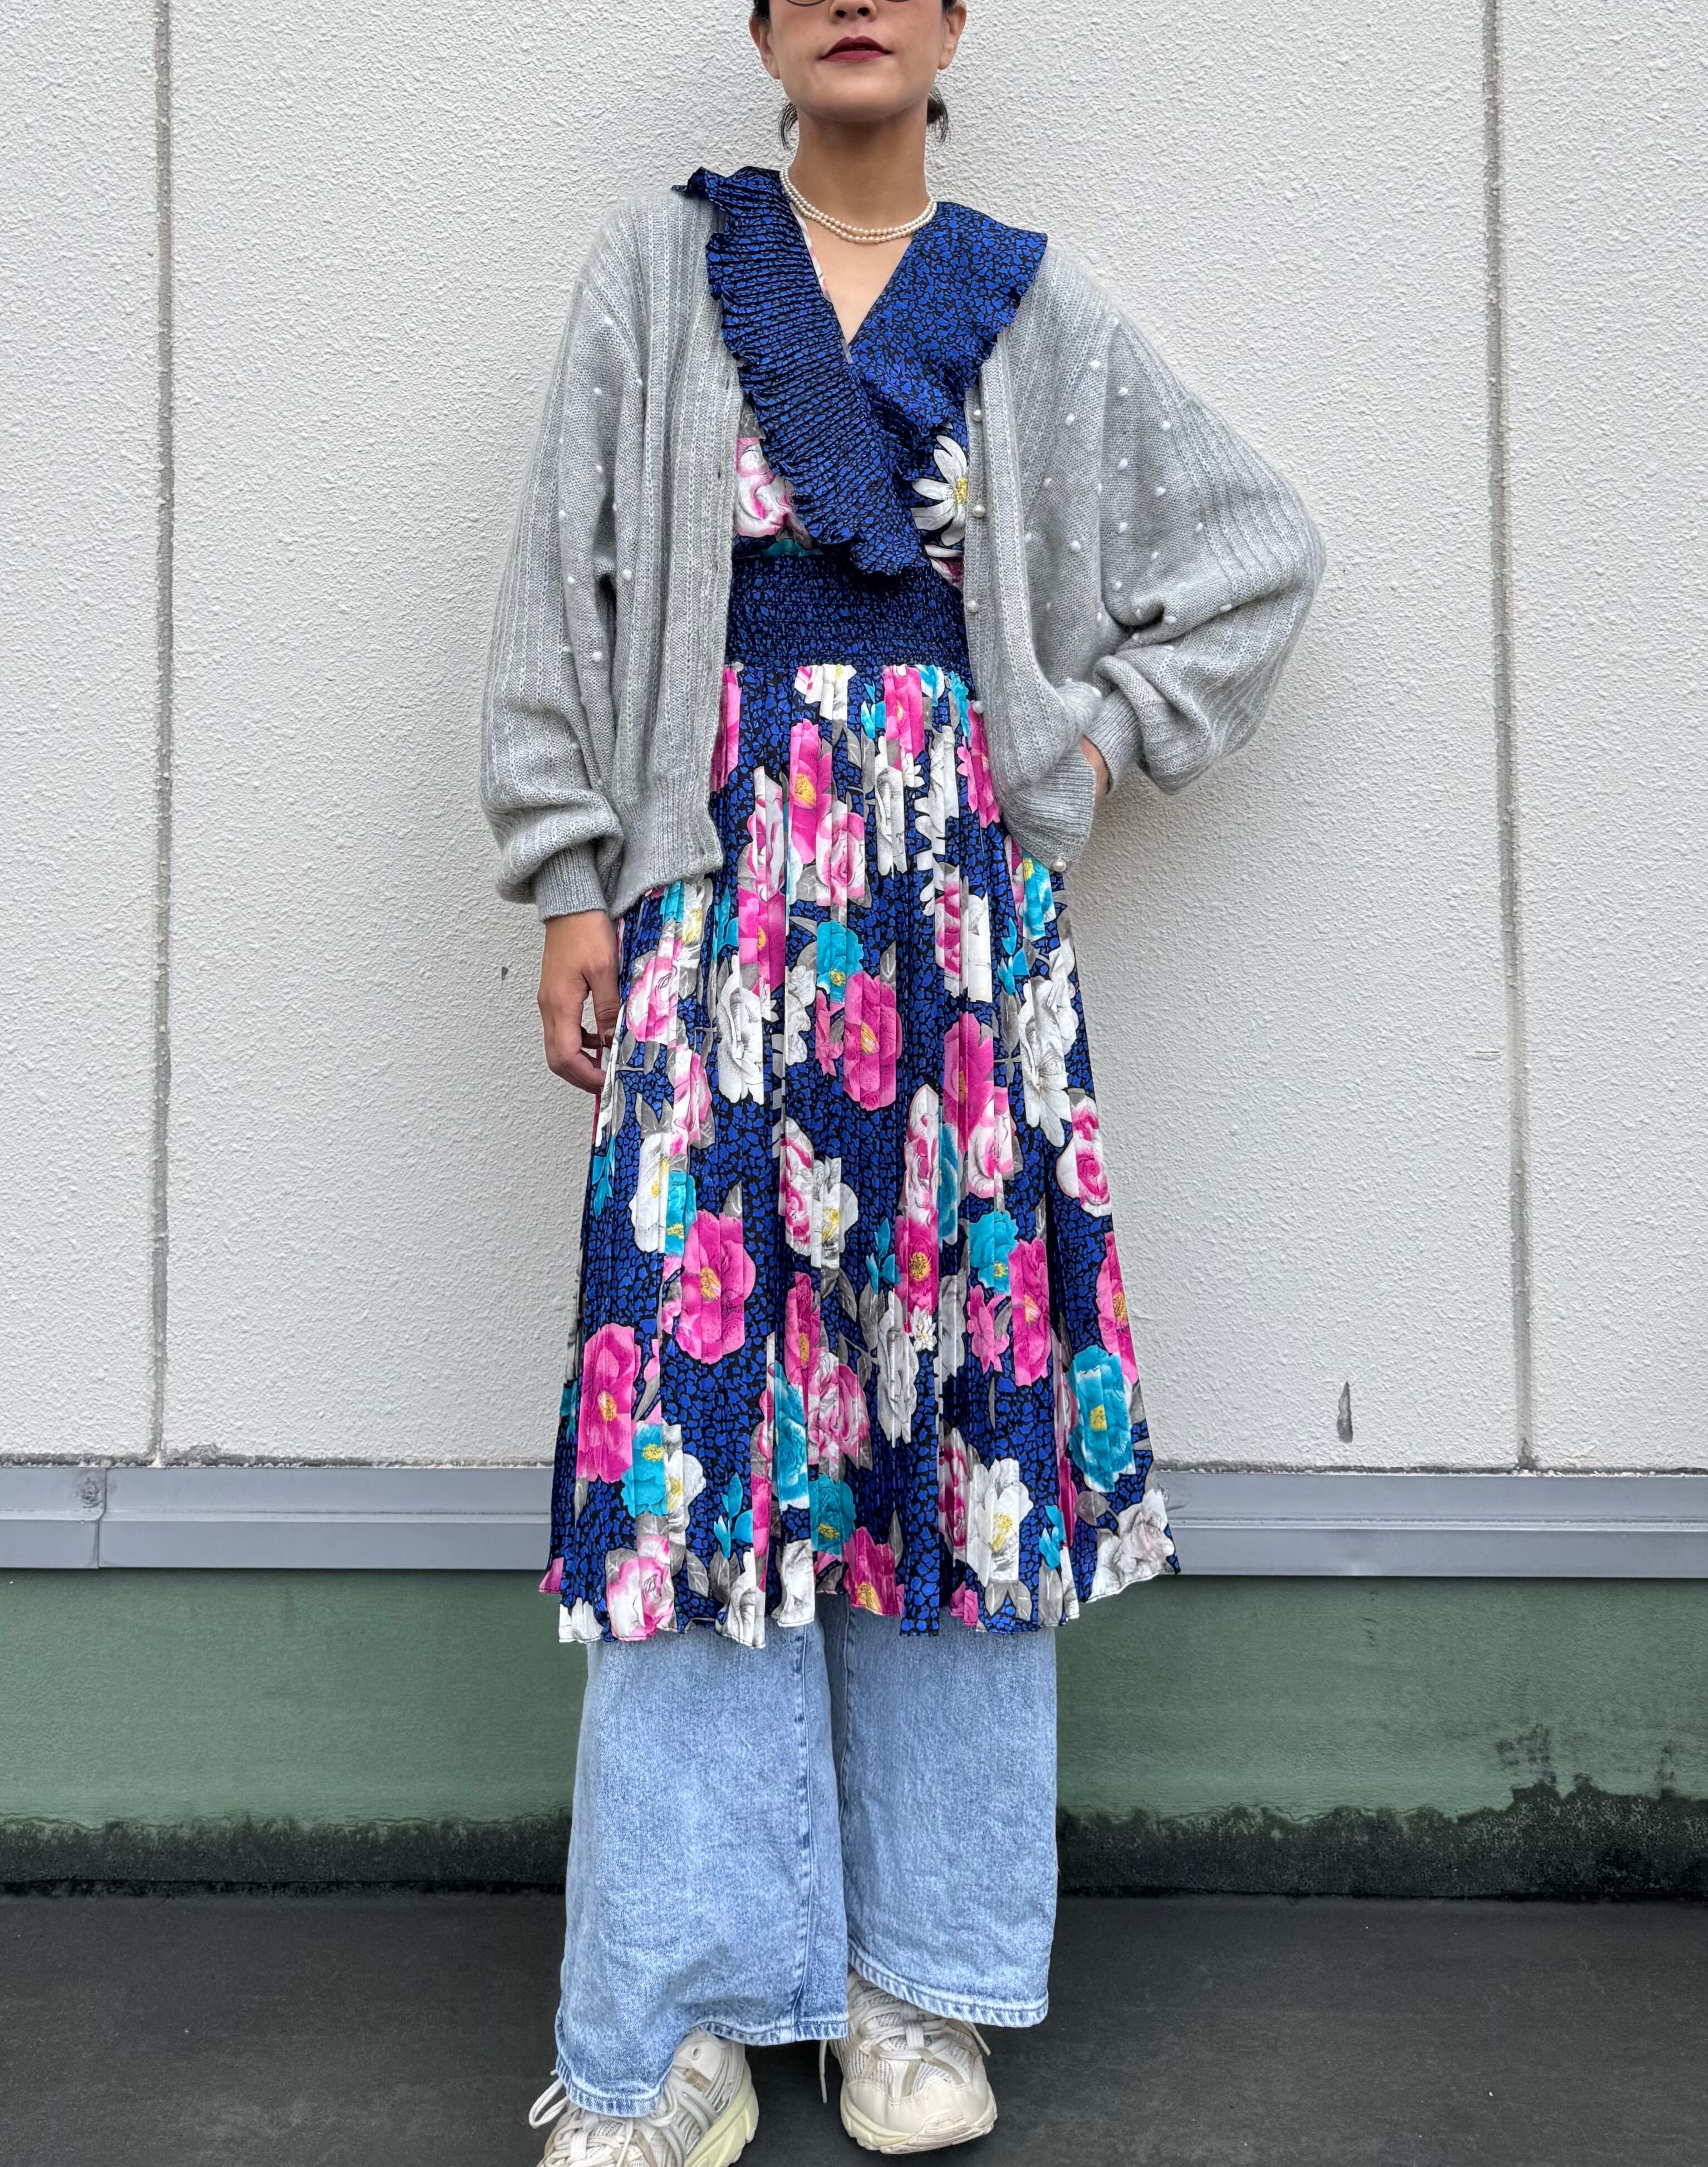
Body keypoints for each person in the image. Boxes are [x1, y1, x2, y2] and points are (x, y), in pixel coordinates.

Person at [480, 2, 1323, 2158]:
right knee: (694, 1442)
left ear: (950, 21)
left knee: (956, 1439)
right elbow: (560, 589)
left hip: (956, 941)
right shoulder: (659, 278)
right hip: (709, 912)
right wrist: (568, 877)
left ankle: (918, 1989)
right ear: (763, 24)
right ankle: (672, 2023)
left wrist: (1081, 744)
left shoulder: (1032, 304)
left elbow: (1256, 551)